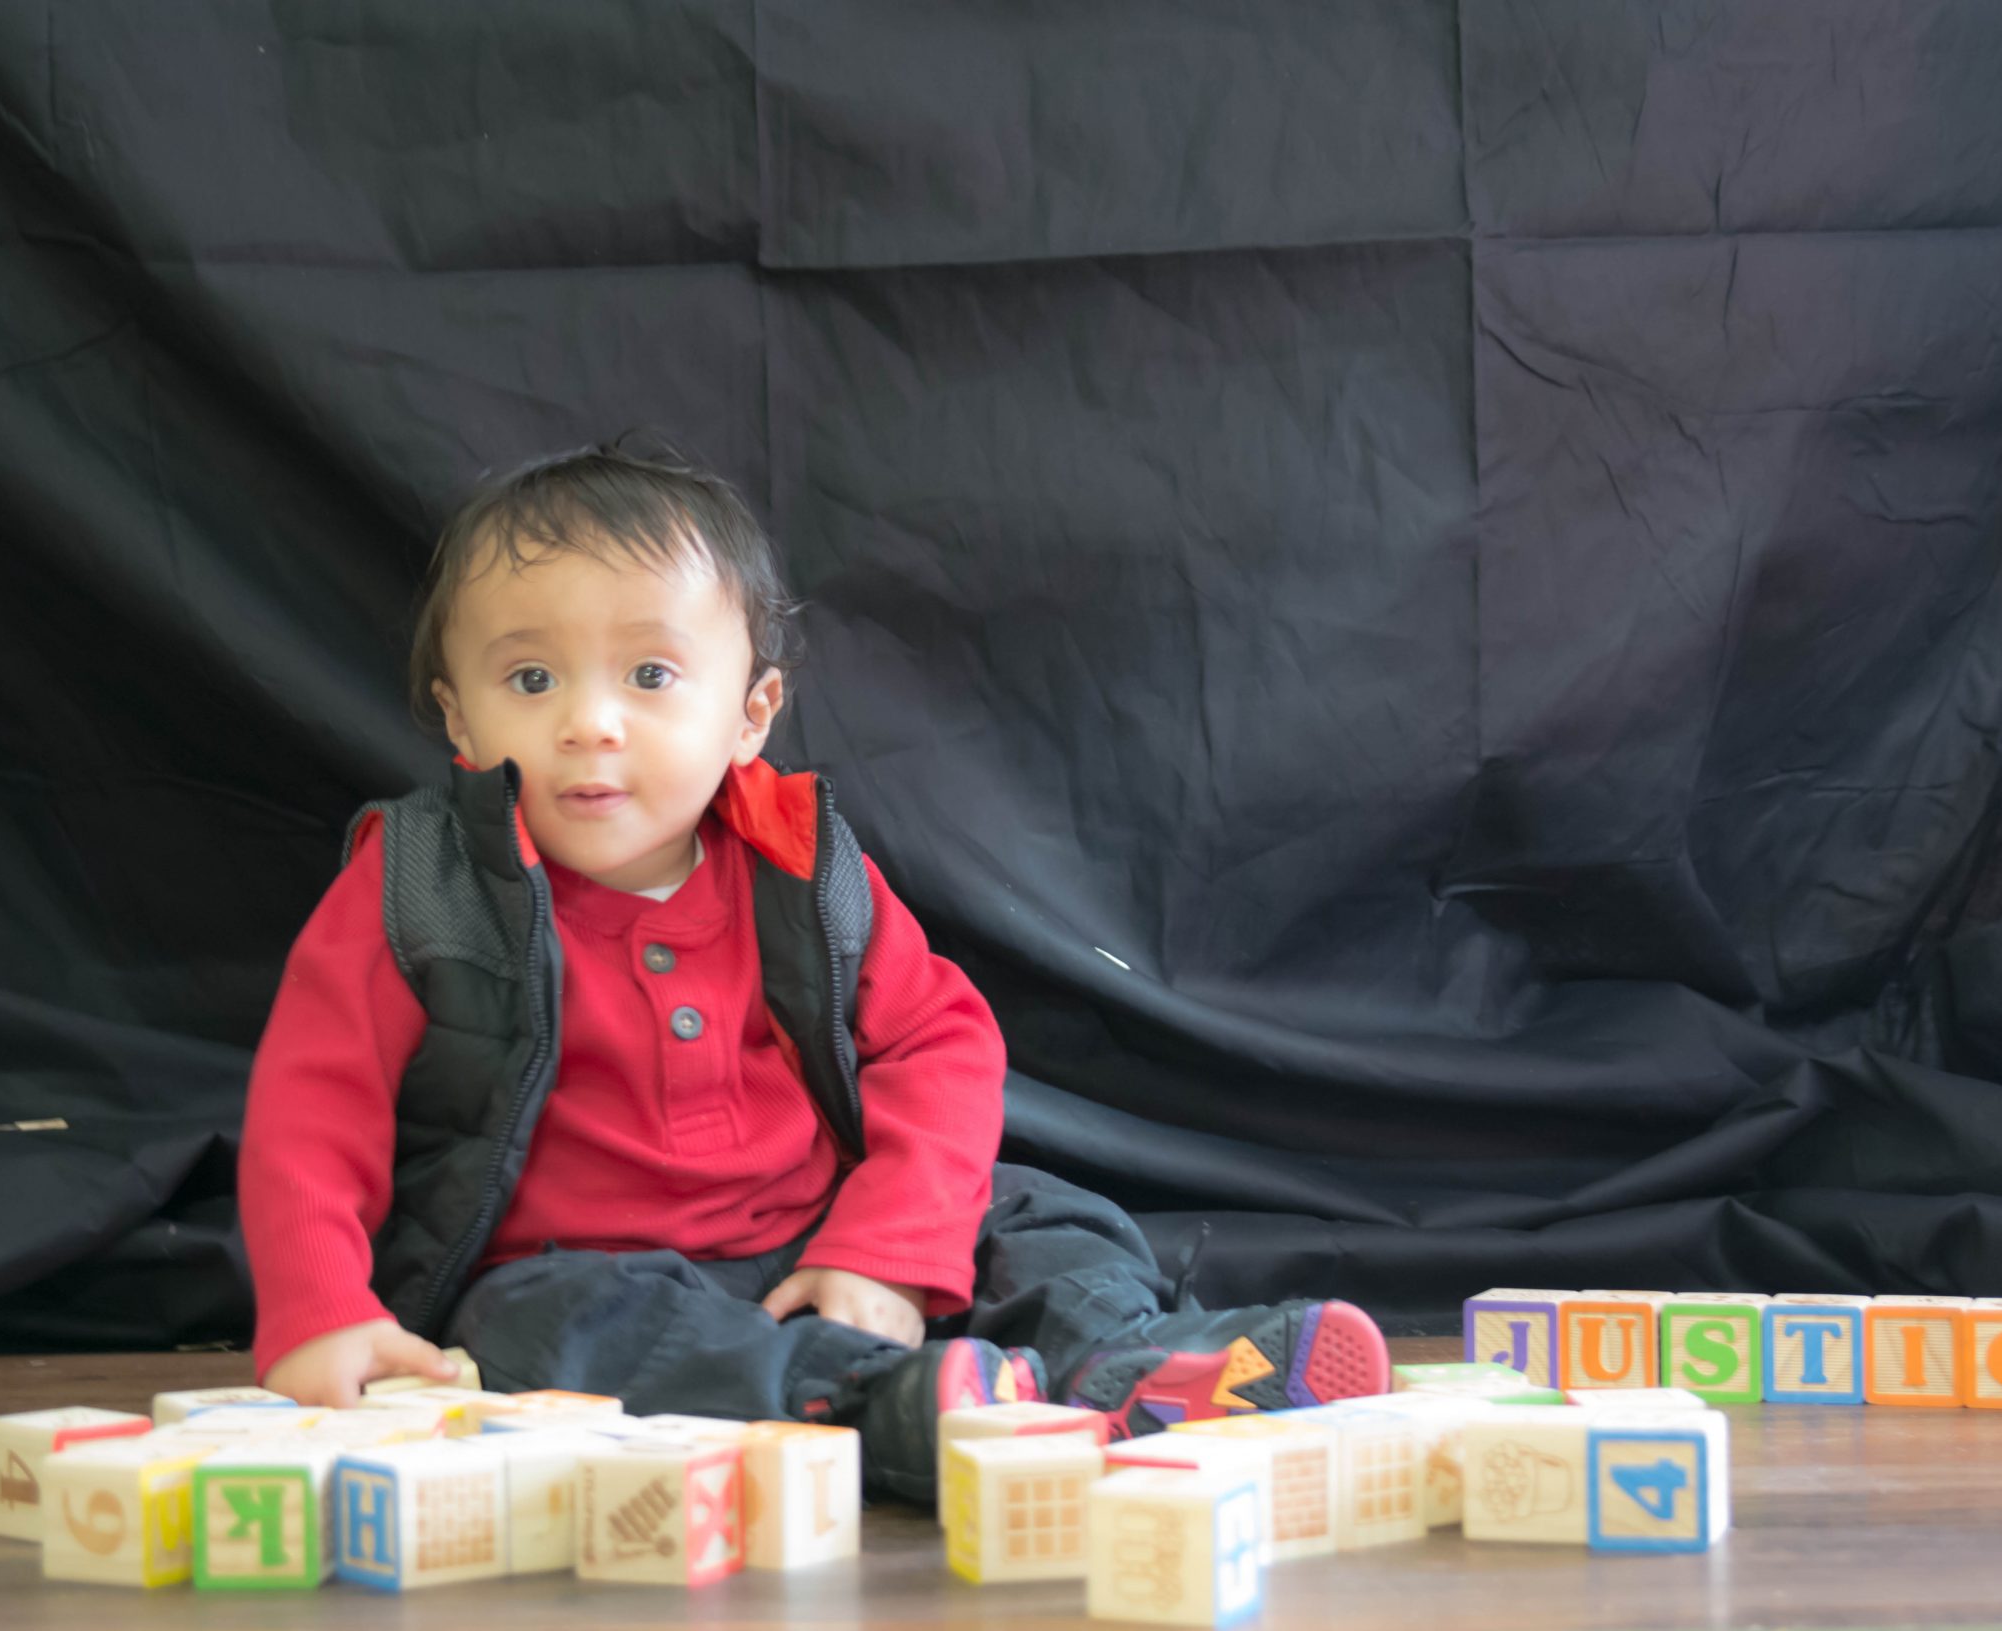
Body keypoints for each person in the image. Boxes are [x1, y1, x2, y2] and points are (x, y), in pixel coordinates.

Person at [236, 430, 1390, 1500]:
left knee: (1037, 1208)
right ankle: (886, 1407)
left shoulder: (796, 861)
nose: (592, 723)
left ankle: (1135, 1361)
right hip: (594, 1270)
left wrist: (884, 1248)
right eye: (531, 681)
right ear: (460, 718)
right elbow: (309, 1106)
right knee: (519, 1327)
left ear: (751, 712)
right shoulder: (416, 883)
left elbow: (940, 1042)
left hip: (819, 1240)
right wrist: (319, 1310)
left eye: (649, 677)